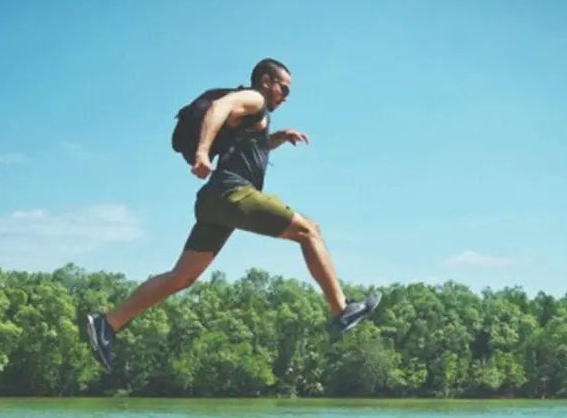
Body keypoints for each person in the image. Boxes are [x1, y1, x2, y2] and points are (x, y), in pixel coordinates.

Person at [86, 58, 381, 372]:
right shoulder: (254, 98)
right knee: (309, 230)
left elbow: (247, 148)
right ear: (266, 81)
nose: (286, 96)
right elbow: (219, 108)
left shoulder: (253, 117)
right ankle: (342, 310)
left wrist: (276, 139)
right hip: (232, 194)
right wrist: (201, 152)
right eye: (284, 88)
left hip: (214, 202)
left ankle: (108, 323)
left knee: (182, 276)